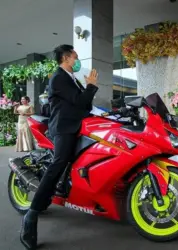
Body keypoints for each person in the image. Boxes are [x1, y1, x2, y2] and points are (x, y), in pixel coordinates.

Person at [20, 44, 99, 250]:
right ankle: (31, 214)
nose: (77, 60)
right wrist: (90, 86)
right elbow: (80, 101)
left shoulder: (71, 79)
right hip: (63, 127)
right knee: (59, 161)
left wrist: (88, 89)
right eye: (75, 56)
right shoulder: (59, 78)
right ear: (66, 58)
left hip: (77, 126)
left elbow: (85, 105)